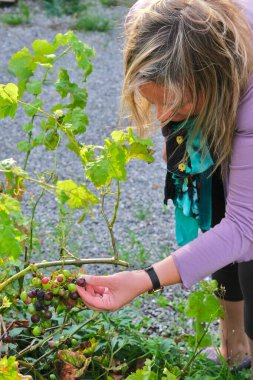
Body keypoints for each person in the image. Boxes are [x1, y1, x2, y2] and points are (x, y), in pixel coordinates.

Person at [77, 0, 253, 374]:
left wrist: (145, 280)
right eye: (154, 101)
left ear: (215, 80)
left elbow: (244, 227)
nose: (162, 117)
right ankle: (234, 345)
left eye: (175, 103)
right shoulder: (162, 20)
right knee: (212, 205)